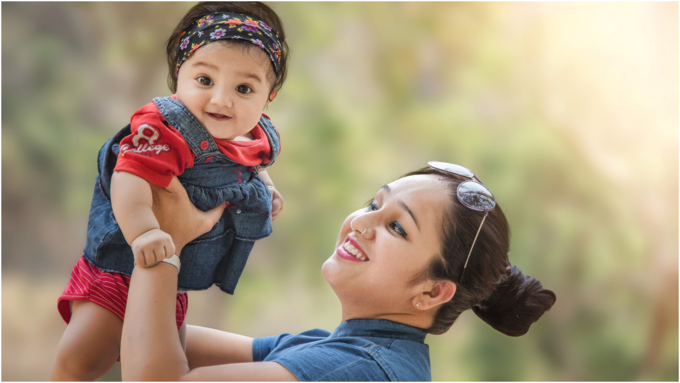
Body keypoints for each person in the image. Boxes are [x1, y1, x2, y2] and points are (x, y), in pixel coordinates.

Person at [120, 162, 557, 381]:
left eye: (397, 227)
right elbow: (137, 336)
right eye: (374, 204)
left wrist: (161, 247)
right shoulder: (339, 349)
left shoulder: (352, 369)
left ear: (431, 292)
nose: (362, 223)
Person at [52, 2, 290, 380]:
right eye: (205, 80)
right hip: (124, 267)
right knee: (81, 360)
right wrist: (144, 230)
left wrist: (266, 187)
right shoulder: (165, 128)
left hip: (171, 277)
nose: (220, 100)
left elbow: (249, 166)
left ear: (269, 96)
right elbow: (128, 176)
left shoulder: (256, 134)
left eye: (243, 88)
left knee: (165, 356)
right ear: (180, 74)